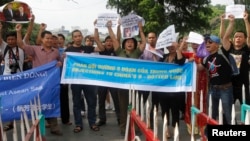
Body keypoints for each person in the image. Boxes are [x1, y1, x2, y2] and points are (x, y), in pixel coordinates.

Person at [15, 23, 63, 136]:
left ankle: (54, 127)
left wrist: (60, 63)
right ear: (42, 39)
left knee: (51, 103)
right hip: (37, 83)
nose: (49, 40)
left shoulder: (56, 51)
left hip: (51, 83)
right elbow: (21, 45)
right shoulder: (34, 50)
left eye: (51, 39)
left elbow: (60, 61)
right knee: (36, 104)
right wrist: (18, 31)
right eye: (47, 38)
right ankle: (34, 127)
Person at [64, 29, 105, 133]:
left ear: (82, 37)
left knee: (91, 102)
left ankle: (92, 123)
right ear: (72, 38)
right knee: (76, 103)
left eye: (79, 36)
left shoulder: (87, 48)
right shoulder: (68, 50)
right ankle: (78, 124)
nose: (78, 38)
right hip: (75, 80)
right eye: (75, 36)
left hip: (88, 79)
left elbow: (101, 48)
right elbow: (65, 64)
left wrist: (96, 38)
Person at [110, 20, 146, 135]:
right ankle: (124, 128)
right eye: (127, 42)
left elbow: (144, 43)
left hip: (135, 85)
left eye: (132, 42)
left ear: (134, 44)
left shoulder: (136, 53)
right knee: (123, 107)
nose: (130, 43)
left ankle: (136, 127)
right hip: (122, 85)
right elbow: (115, 40)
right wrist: (113, 27)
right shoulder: (119, 52)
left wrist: (141, 29)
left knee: (136, 107)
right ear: (124, 44)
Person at [197, 35, 233, 125]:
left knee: (229, 115)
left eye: (210, 42)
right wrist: (190, 60)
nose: (207, 44)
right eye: (206, 43)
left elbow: (225, 37)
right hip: (212, 90)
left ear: (217, 44)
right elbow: (198, 68)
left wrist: (231, 22)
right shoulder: (206, 58)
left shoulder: (223, 53)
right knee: (211, 115)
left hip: (225, 89)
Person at [93, 20, 120, 126]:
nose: (109, 42)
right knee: (101, 100)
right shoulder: (102, 50)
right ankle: (102, 118)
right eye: (107, 41)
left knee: (116, 100)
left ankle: (119, 118)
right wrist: (95, 26)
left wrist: (118, 26)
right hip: (102, 79)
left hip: (114, 79)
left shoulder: (117, 51)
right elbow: (96, 38)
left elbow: (117, 38)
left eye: (111, 41)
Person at [0, 23, 25, 131]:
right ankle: (11, 122)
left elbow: (27, 35)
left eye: (12, 39)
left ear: (16, 40)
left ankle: (23, 122)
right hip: (7, 79)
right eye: (8, 39)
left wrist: (19, 31)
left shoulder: (21, 47)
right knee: (9, 101)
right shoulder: (5, 47)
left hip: (19, 78)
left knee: (21, 101)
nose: (10, 41)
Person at [159, 41, 186, 138]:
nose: (171, 47)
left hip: (175, 91)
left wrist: (178, 48)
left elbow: (181, 61)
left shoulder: (180, 56)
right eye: (169, 46)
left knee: (175, 111)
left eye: (173, 45)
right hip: (164, 90)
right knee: (164, 111)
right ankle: (166, 130)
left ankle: (175, 129)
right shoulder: (163, 57)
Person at [223, 13, 250, 105]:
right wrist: (231, 23)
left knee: (247, 111)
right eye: (236, 36)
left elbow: (249, 37)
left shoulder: (246, 50)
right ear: (233, 39)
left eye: (240, 37)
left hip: (244, 86)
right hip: (230, 85)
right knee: (228, 111)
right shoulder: (228, 49)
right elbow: (225, 37)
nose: (238, 38)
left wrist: (246, 20)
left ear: (245, 39)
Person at [139, 32, 163, 128]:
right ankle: (139, 120)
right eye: (149, 38)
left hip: (157, 80)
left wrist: (155, 56)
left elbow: (162, 65)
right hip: (145, 80)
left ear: (156, 38)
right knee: (142, 100)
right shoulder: (143, 50)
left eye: (153, 37)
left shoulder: (161, 51)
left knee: (155, 102)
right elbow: (138, 62)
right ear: (147, 39)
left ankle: (152, 121)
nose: (151, 39)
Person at [57, 33, 72, 125]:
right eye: (57, 39)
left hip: (63, 78)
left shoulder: (68, 51)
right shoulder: (52, 50)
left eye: (61, 39)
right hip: (53, 78)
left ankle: (65, 119)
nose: (59, 40)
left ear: (64, 40)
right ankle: (50, 120)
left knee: (64, 99)